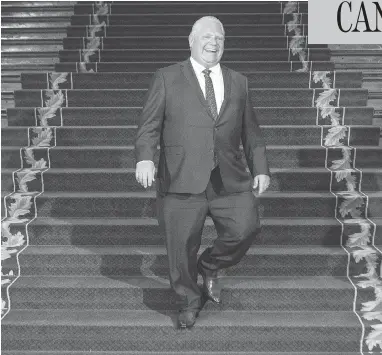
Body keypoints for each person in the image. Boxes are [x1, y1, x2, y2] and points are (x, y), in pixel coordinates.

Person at [135, 16, 271, 329]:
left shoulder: (239, 81)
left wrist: (260, 168)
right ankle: (188, 301)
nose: (213, 43)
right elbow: (149, 124)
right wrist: (145, 157)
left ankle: (210, 265)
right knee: (180, 248)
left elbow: (251, 131)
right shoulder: (167, 77)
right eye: (207, 37)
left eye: (219, 38)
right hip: (181, 176)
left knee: (246, 227)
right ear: (191, 40)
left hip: (229, 176)